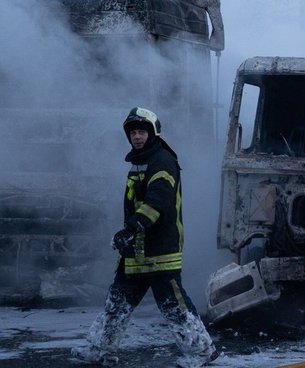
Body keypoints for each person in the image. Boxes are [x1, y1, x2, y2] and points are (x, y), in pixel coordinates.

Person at [72, 107, 217, 367]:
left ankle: (201, 352)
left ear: (153, 133)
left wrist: (130, 229)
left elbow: (156, 203)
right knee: (117, 303)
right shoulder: (141, 161)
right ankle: (100, 349)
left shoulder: (162, 161)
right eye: (133, 133)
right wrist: (131, 235)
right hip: (137, 251)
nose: (137, 137)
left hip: (160, 251)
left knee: (174, 306)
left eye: (142, 132)